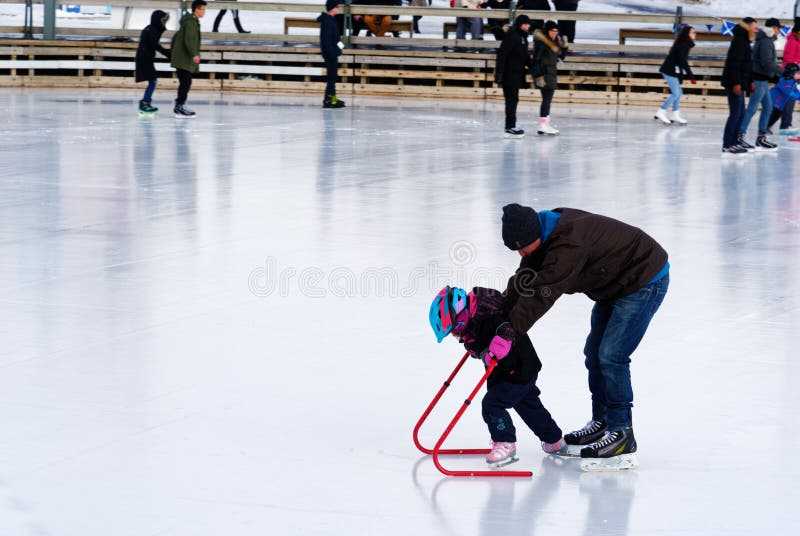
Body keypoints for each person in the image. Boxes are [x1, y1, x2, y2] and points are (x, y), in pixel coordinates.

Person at [499, 204, 669, 470]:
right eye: (517, 250)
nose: (521, 253)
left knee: (611, 356)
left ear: (534, 235)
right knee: (594, 354)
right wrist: (500, 316)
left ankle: (622, 432)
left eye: (522, 247)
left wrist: (512, 330)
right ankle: (602, 422)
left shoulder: (568, 244)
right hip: (615, 285)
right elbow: (526, 278)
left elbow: (544, 292)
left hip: (643, 279)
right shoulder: (543, 234)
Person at [429, 286, 568, 467]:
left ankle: (505, 443)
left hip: (518, 367)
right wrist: (483, 352)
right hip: (506, 370)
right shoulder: (473, 322)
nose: (456, 335)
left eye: (454, 330)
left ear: (461, 316)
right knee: (527, 404)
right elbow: (478, 346)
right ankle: (554, 440)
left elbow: (507, 329)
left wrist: (503, 338)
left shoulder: (493, 314)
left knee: (492, 404)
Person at [739, 18, 781, 150]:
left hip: (763, 80)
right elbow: (766, 62)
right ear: (773, 28)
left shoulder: (765, 40)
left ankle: (761, 138)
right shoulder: (765, 41)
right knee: (752, 108)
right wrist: (782, 71)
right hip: (759, 80)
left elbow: (768, 62)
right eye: (778, 28)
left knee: (768, 108)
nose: (779, 31)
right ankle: (740, 135)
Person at [721, 18, 757, 155]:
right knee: (735, 114)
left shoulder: (745, 41)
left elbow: (746, 65)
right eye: (754, 27)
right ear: (747, 27)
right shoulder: (739, 41)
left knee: (740, 113)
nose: (756, 29)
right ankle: (727, 144)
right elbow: (734, 64)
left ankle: (734, 142)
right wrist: (736, 83)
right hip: (734, 83)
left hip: (740, 82)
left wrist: (749, 82)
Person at [495, 15, 532, 138]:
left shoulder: (523, 38)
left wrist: (535, 68)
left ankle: (511, 125)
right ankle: (510, 127)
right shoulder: (512, 36)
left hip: (517, 74)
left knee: (514, 99)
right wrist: (499, 73)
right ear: (520, 24)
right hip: (509, 74)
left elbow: (525, 57)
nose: (527, 26)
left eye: (528, 24)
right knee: (511, 100)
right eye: (525, 24)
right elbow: (502, 55)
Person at [170, 0, 206, 118]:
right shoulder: (190, 22)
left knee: (185, 82)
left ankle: (180, 104)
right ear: (196, 9)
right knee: (185, 82)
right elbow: (189, 39)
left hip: (183, 57)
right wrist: (194, 54)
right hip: (183, 57)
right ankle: (179, 106)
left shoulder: (192, 21)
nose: (204, 11)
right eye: (203, 9)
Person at [655, 25, 696, 126]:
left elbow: (680, 62)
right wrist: (690, 75)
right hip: (669, 70)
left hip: (674, 70)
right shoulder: (683, 44)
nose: (695, 34)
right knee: (676, 93)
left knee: (679, 93)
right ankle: (661, 111)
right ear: (687, 34)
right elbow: (682, 61)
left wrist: (682, 76)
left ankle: (675, 114)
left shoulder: (686, 44)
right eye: (693, 32)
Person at [532, 20, 567, 135]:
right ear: (547, 31)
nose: (555, 33)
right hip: (544, 74)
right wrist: (538, 76)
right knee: (547, 99)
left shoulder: (554, 42)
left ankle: (543, 124)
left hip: (551, 73)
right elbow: (536, 60)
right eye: (553, 31)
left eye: (556, 31)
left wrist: (565, 47)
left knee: (547, 99)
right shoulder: (542, 43)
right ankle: (543, 125)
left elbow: (561, 57)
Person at [134, 10, 170, 115]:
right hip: (144, 59)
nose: (164, 23)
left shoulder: (151, 28)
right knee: (153, 81)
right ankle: (145, 103)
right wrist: (169, 54)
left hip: (145, 58)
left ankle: (146, 102)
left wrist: (168, 53)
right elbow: (155, 45)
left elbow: (154, 45)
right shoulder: (151, 30)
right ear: (157, 20)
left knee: (153, 81)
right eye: (163, 20)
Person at [318, 0, 345, 108]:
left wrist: (342, 47)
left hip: (333, 53)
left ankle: (331, 99)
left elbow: (336, 39)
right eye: (337, 7)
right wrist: (333, 53)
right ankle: (329, 100)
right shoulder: (327, 22)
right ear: (332, 8)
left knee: (332, 77)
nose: (338, 9)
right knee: (331, 78)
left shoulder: (332, 20)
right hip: (330, 54)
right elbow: (326, 41)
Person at [778, 21, 800, 133]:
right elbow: (788, 60)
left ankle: (786, 124)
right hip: (790, 74)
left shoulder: (797, 41)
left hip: (794, 73)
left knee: (790, 99)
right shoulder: (792, 42)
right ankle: (785, 126)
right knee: (789, 100)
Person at [767, 63, 800, 133]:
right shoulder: (785, 81)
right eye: (798, 73)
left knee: (777, 115)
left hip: (780, 103)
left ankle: (768, 127)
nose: (799, 75)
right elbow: (789, 93)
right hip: (774, 101)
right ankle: (765, 127)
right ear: (791, 73)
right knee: (774, 115)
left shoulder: (792, 81)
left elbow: (795, 91)